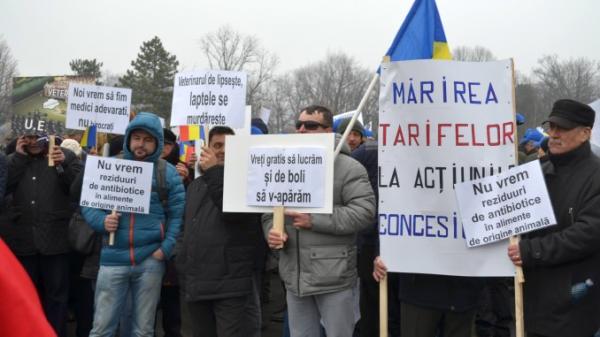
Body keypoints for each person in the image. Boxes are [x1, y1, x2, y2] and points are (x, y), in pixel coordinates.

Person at [264, 105, 376, 337]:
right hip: (294, 277)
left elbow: (364, 212)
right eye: (299, 125)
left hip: (333, 277)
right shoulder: (283, 163)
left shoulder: (349, 167)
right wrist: (272, 231)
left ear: (328, 131)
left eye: (311, 125)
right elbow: (267, 209)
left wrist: (314, 220)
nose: (302, 129)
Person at [82, 112, 185, 337]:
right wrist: (102, 221)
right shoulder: (109, 166)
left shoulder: (167, 173)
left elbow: (178, 216)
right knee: (101, 328)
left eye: (148, 140)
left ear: (157, 143)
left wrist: (164, 250)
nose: (141, 144)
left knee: (143, 330)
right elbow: (88, 205)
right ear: (128, 139)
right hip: (112, 258)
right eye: (137, 138)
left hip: (150, 260)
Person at [507, 99, 600, 337]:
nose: (554, 134)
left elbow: (586, 234)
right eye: (552, 127)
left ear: (585, 133)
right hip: (527, 301)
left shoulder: (596, 176)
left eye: (563, 128)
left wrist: (529, 250)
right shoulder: (536, 171)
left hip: (571, 307)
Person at [177, 126, 262, 337]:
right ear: (208, 148)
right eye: (217, 145)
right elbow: (185, 225)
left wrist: (214, 171)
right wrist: (180, 258)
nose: (222, 150)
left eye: (228, 146)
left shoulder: (248, 180)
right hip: (197, 280)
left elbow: (232, 213)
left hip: (230, 282)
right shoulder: (196, 185)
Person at [4, 131, 82, 337]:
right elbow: (4, 187)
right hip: (23, 240)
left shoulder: (65, 155)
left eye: (39, 137)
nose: (34, 142)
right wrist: (19, 159)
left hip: (55, 241)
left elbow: (79, 189)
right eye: (29, 137)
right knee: (26, 296)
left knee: (57, 296)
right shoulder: (12, 159)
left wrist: (63, 165)